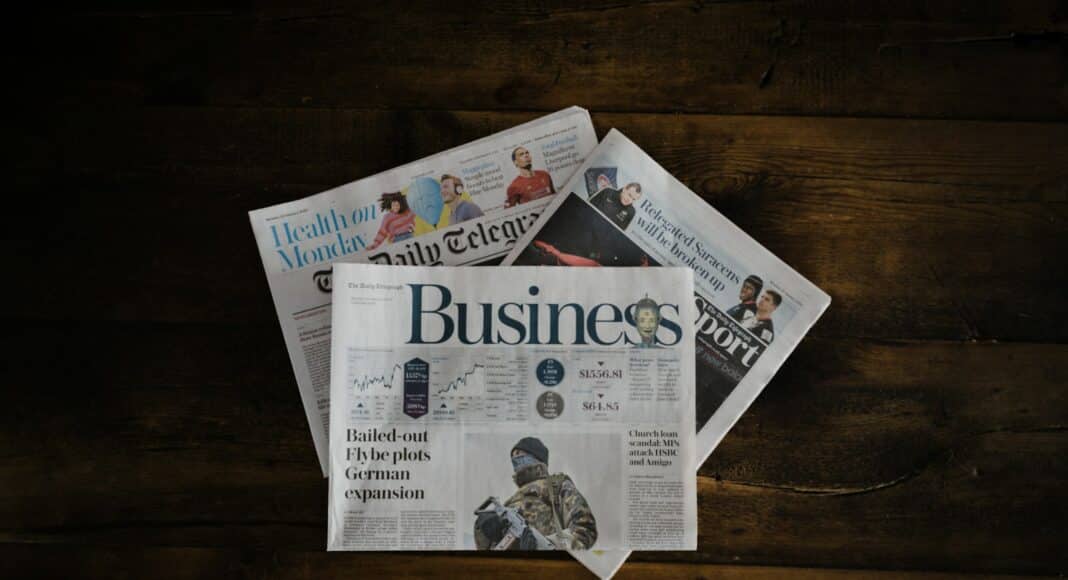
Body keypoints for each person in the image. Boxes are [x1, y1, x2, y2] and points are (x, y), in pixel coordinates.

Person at [474, 437, 597, 550]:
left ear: (536, 456)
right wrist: (485, 534)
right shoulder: (509, 505)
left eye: (520, 454)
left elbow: (585, 530)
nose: (515, 459)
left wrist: (542, 545)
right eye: (513, 456)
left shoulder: (556, 486)